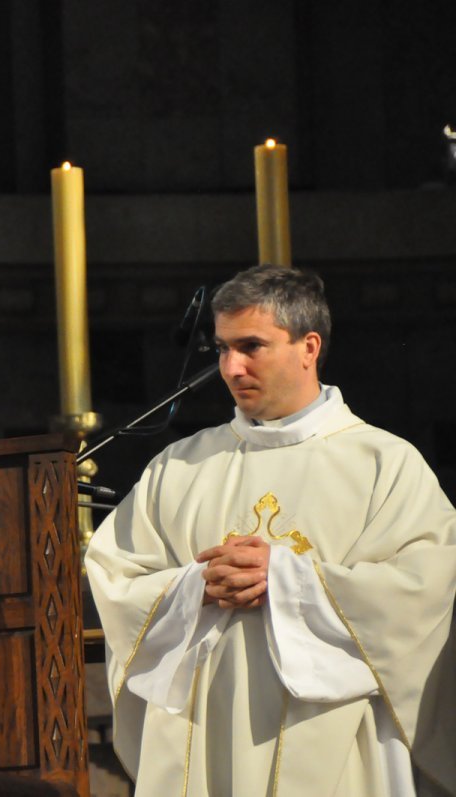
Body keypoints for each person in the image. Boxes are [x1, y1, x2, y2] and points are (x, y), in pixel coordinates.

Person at [86, 265, 456, 796]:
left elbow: (424, 590)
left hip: (329, 734)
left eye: (252, 346)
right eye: (221, 348)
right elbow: (114, 575)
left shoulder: (383, 463)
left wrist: (285, 579)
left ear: (308, 347)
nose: (231, 367)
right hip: (202, 730)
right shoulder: (181, 465)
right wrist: (195, 586)